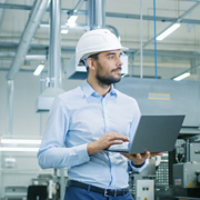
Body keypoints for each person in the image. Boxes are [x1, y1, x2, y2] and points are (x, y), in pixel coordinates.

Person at [38, 29, 162, 200]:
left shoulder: (130, 104)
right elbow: (45, 157)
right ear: (92, 63)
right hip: (83, 194)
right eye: (111, 56)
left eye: (120, 56)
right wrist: (91, 148)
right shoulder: (65, 102)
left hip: (123, 194)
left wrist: (139, 161)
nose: (120, 63)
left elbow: (136, 156)